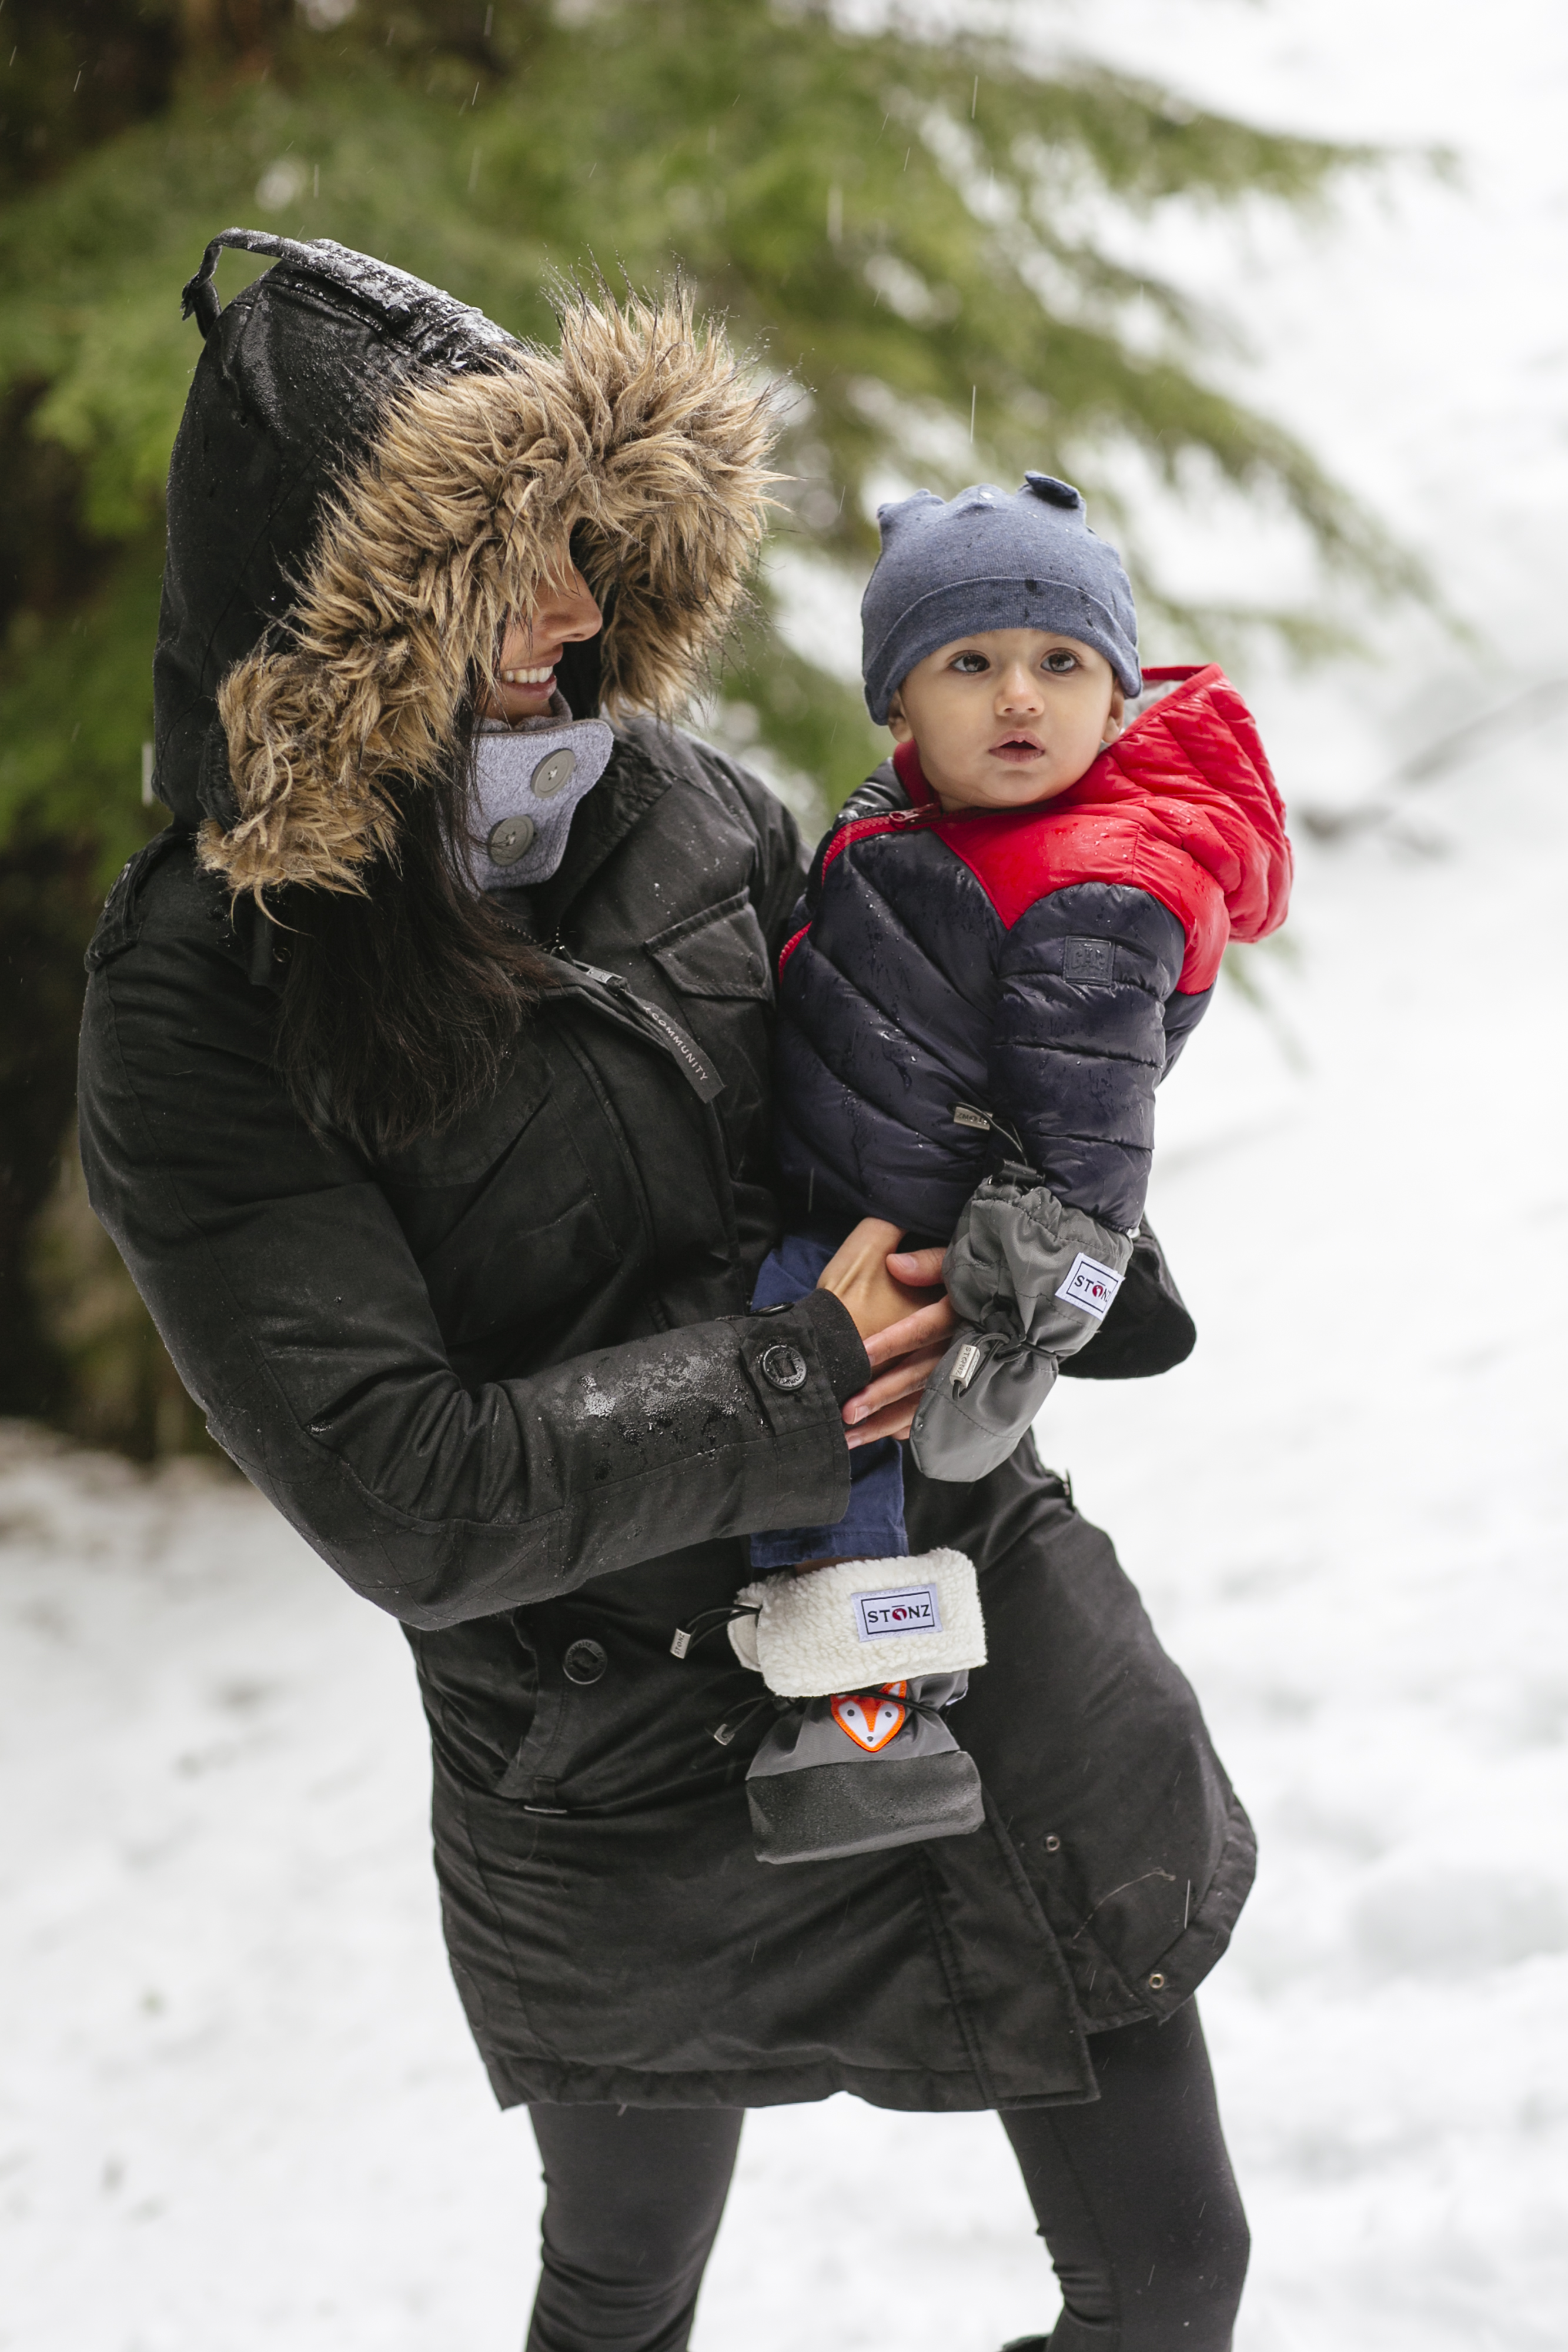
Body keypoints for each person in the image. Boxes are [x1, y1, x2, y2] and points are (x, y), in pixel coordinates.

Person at [79, 229, 1259, 2352]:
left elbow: (892, 1106)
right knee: (622, 2294)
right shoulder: (204, 994)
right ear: (333, 609)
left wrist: (1058, 1212)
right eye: (499, 566)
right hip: (606, 1742)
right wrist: (797, 1373)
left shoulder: (693, 804)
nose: (566, 615)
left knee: (1170, 2277)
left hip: (955, 1614)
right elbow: (401, 1488)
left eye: (593, 548)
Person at [727, 479, 1290, 1869]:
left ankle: (871, 1700)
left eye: (1061, 664)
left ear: (1115, 694)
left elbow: (1089, 1136)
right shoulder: (933, 815)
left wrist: (1017, 1306)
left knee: (831, 1391)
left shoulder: (1093, 882)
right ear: (899, 706)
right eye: (967, 664)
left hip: (918, 1231)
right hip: (849, 1158)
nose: (1017, 698)